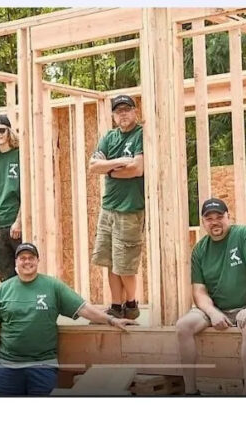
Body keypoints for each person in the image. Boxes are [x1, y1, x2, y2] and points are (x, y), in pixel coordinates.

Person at [0, 242, 134, 396]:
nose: (27, 261)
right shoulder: (3, 290)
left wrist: (111, 320)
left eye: (31, 257)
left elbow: (83, 308)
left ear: (37, 261)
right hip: (8, 368)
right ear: (16, 262)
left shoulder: (52, 286)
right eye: (22, 258)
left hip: (42, 367)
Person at [176, 198, 246, 396]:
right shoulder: (199, 250)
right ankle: (190, 392)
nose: (215, 222)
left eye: (219, 217)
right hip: (219, 309)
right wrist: (212, 313)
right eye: (209, 218)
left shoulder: (243, 235)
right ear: (203, 223)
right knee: (183, 326)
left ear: (228, 217)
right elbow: (199, 291)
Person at [88, 94, 145, 321]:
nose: (123, 114)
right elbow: (93, 166)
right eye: (118, 111)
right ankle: (115, 304)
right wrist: (118, 164)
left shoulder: (140, 134)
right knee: (110, 260)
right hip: (108, 208)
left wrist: (108, 168)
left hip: (130, 209)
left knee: (126, 264)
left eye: (126, 110)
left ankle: (131, 304)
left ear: (134, 111)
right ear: (113, 115)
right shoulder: (109, 138)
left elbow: (137, 169)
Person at [0, 114, 23, 282]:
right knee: (3, 268)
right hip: (0, 223)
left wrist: (19, 220)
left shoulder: (19, 155)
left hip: (15, 221)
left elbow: (26, 190)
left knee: (23, 266)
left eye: (1, 130)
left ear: (9, 132)